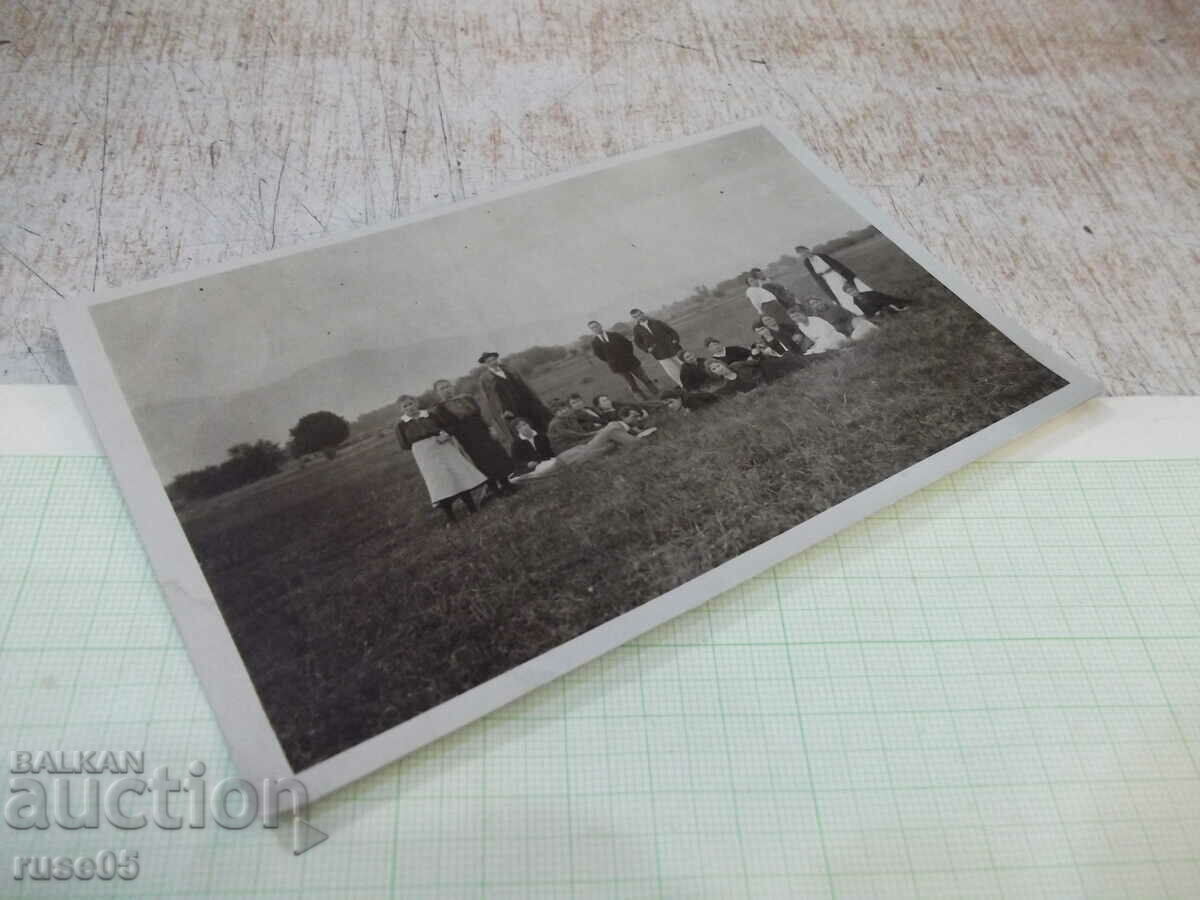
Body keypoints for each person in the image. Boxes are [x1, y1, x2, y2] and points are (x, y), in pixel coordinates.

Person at [395, 394, 486, 525]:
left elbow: (447, 427)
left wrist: (444, 434)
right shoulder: (401, 425)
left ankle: (472, 508)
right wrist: (422, 445)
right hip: (424, 454)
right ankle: (451, 517)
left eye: (411, 403)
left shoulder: (430, 415)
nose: (409, 407)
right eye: (405, 406)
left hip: (442, 445)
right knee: (438, 482)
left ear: (416, 403)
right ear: (401, 410)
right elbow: (404, 444)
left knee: (456, 474)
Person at [431, 379, 518, 497]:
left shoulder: (466, 398)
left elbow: (479, 415)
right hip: (467, 438)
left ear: (452, 387)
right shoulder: (439, 409)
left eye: (448, 386)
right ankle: (495, 490)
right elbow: (445, 427)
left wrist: (490, 428)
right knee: (483, 462)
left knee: (497, 455)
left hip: (482, 431)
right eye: (442, 388)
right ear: (437, 393)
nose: (447, 390)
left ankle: (506, 484)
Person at [511, 416, 657, 482]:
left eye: (525, 424)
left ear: (529, 425)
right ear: (517, 431)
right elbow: (517, 464)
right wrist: (526, 466)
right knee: (610, 433)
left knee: (609, 435)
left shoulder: (541, 436)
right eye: (520, 427)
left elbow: (553, 451)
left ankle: (634, 437)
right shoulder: (516, 444)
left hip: (570, 454)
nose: (524, 428)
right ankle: (634, 436)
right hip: (567, 459)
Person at [477, 351, 552, 441]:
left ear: (497, 359)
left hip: (527, 402)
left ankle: (547, 441)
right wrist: (503, 411)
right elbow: (490, 399)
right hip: (510, 409)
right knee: (523, 430)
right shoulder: (485, 379)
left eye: (494, 359)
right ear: (485, 364)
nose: (493, 362)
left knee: (540, 422)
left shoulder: (509, 369)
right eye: (489, 361)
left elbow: (524, 384)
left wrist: (534, 399)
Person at [587, 320, 659, 399]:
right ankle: (643, 400)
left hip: (631, 362)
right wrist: (612, 360)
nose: (595, 328)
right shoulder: (595, 343)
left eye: (596, 326)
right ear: (591, 330)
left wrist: (628, 355)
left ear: (600, 325)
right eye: (593, 328)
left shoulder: (615, 335)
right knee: (632, 384)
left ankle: (657, 393)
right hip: (618, 367)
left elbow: (628, 344)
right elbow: (601, 356)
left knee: (645, 378)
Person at [796, 244, 872, 315]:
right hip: (828, 280)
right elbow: (814, 275)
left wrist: (847, 274)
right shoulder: (807, 263)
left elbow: (836, 264)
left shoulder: (821, 255)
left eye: (804, 251)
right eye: (802, 254)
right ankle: (858, 312)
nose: (805, 254)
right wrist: (822, 283)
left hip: (836, 274)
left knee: (851, 288)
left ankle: (869, 304)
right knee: (841, 294)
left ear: (808, 249)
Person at [629, 308, 684, 387]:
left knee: (684, 364)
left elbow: (671, 331)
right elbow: (638, 342)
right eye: (636, 317)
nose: (639, 317)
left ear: (643, 313)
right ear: (634, 318)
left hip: (673, 348)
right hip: (659, 353)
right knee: (672, 371)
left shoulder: (656, 322)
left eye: (639, 315)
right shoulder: (636, 329)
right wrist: (647, 349)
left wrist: (675, 340)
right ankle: (683, 385)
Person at [842, 282, 914, 316]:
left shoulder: (868, 293)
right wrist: (875, 312)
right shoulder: (856, 302)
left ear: (855, 288)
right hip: (878, 311)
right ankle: (897, 309)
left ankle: (900, 306)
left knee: (889, 302)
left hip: (884, 303)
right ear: (849, 294)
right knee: (886, 311)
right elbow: (866, 312)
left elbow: (882, 298)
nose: (853, 292)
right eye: (850, 292)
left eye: (853, 290)